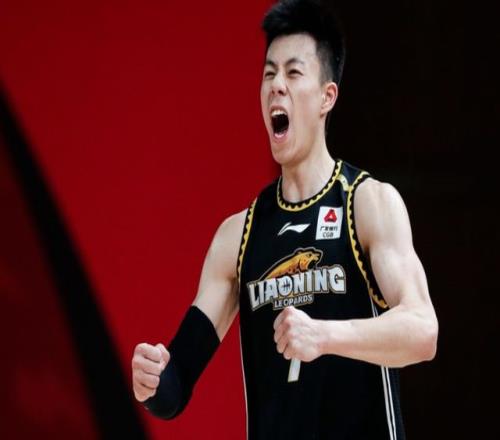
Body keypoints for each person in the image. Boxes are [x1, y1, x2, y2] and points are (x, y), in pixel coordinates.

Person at [131, 0, 439, 438]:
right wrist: (153, 380)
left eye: (293, 73)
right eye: (269, 74)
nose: (277, 86)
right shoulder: (238, 235)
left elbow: (423, 332)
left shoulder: (368, 203)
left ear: (327, 97)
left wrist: (324, 336)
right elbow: (175, 387)